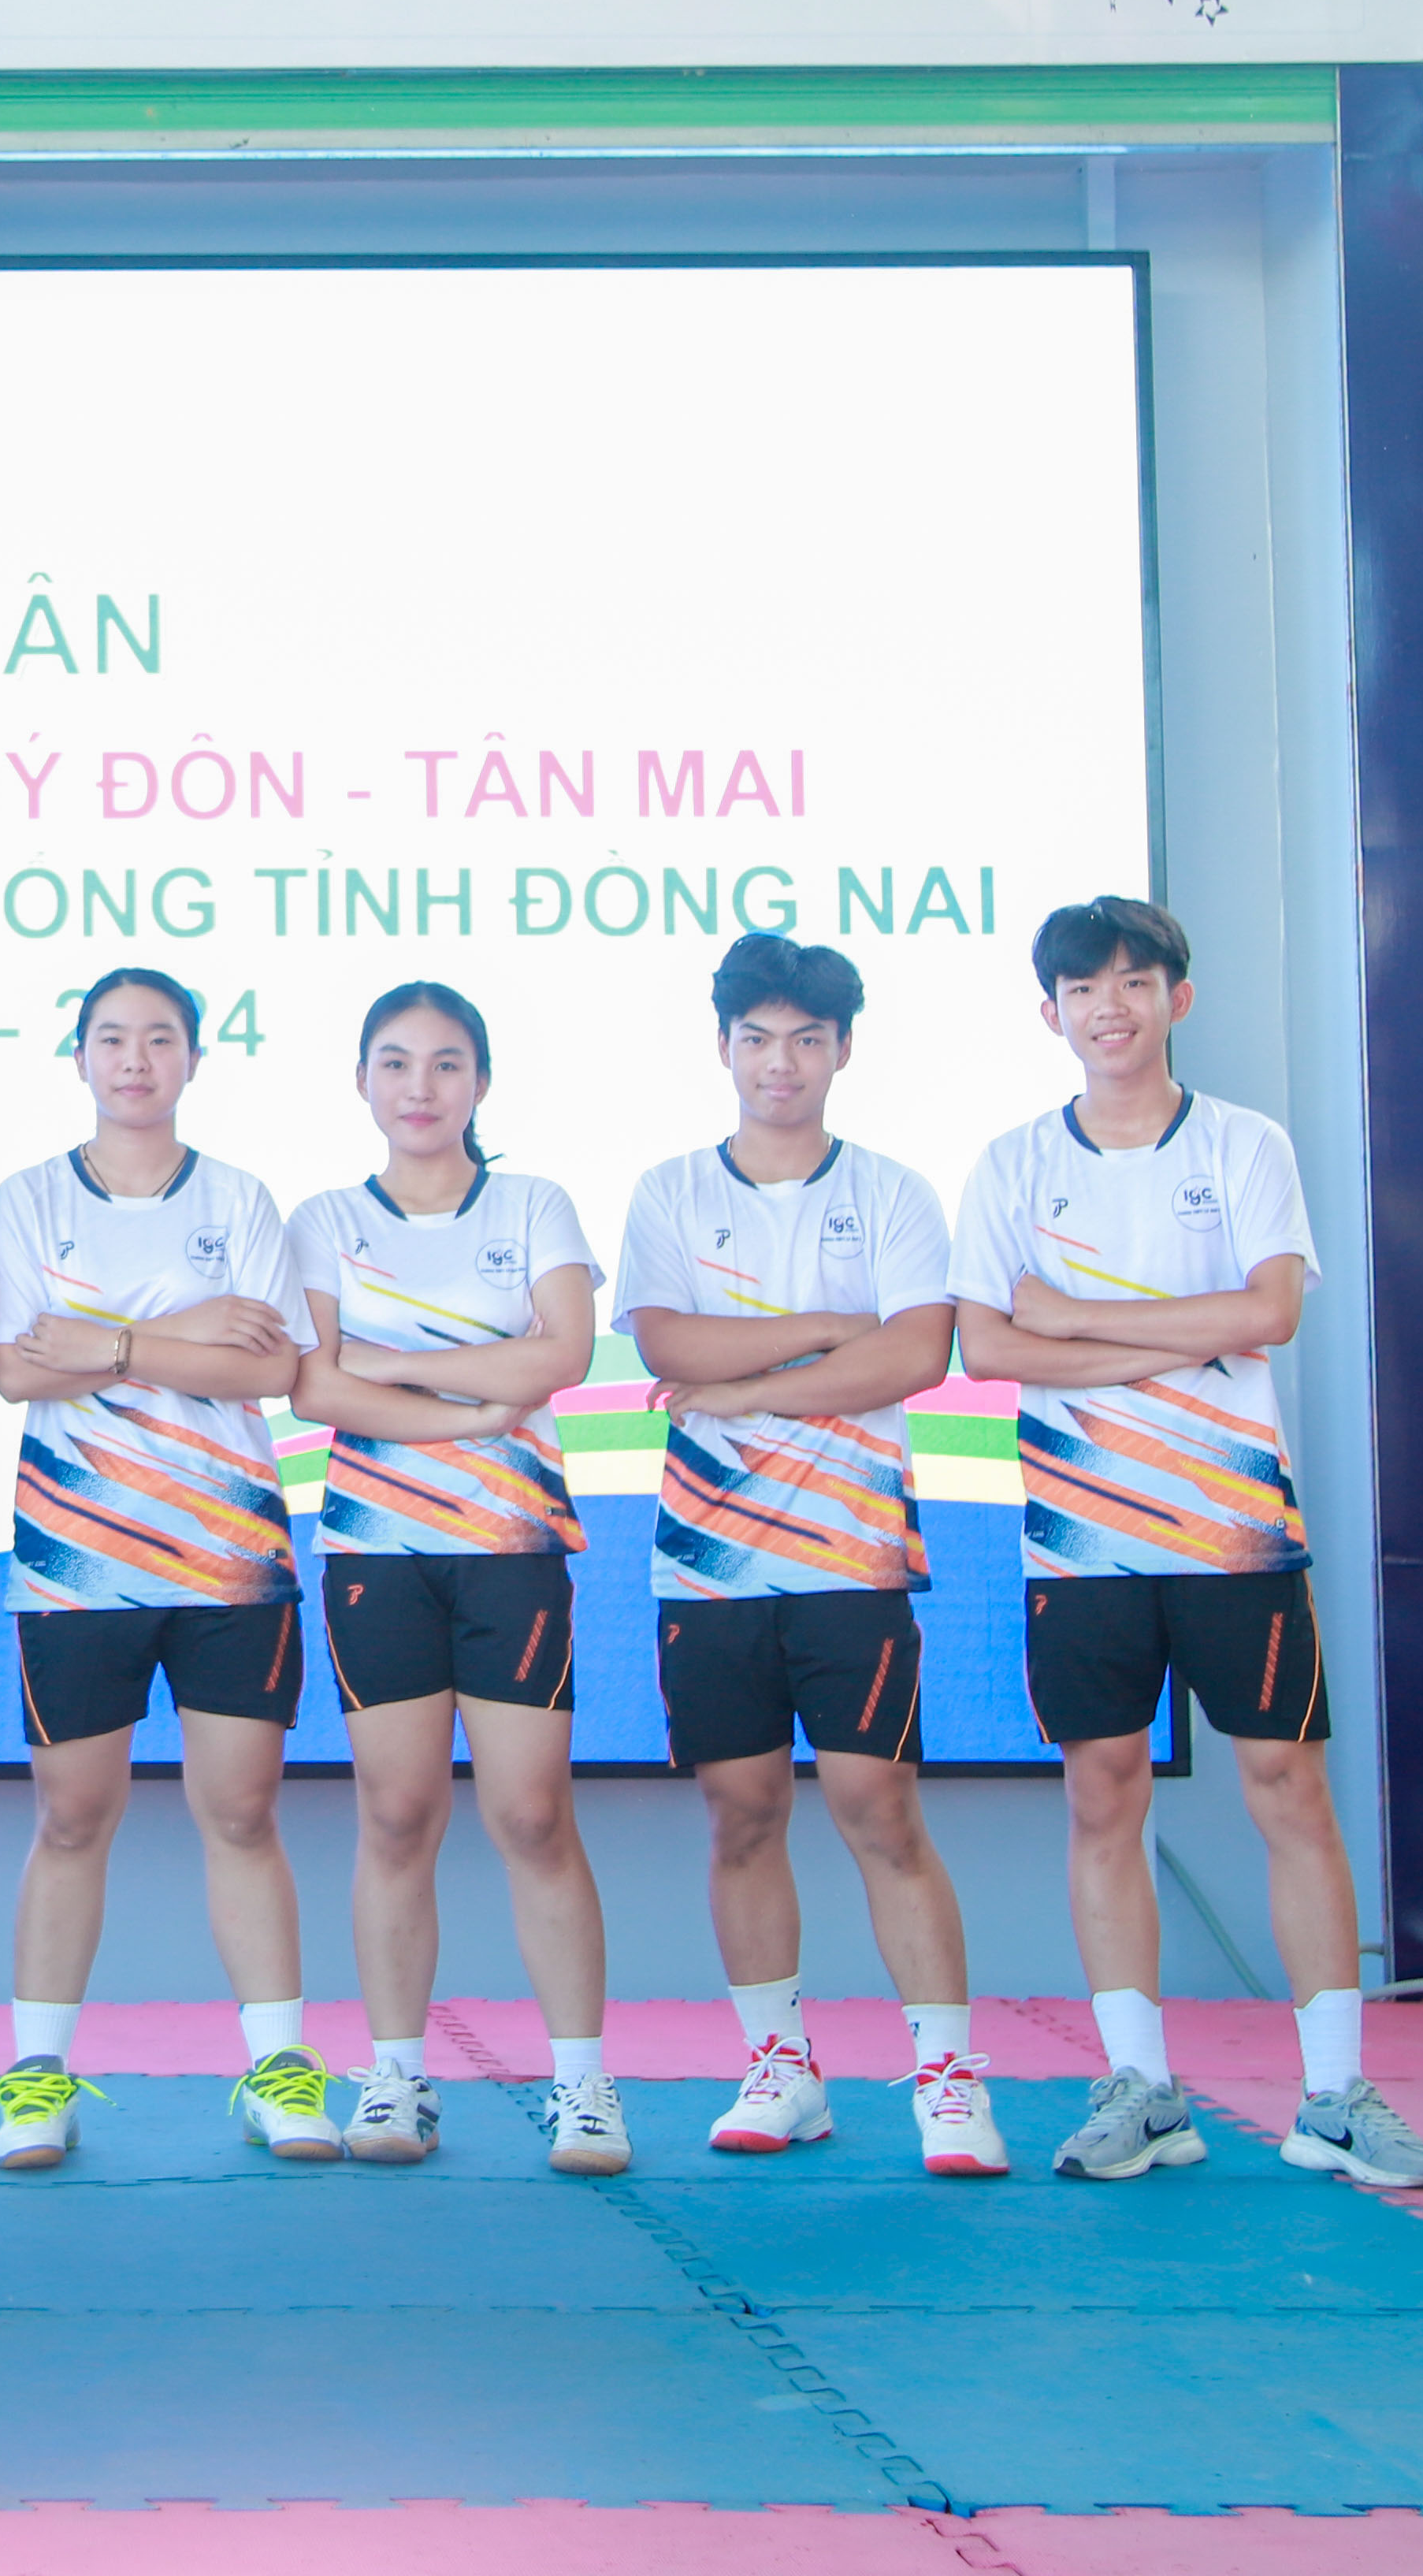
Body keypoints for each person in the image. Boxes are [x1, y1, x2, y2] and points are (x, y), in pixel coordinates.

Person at [949, 894, 1423, 2191]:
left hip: (1235, 1530)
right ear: (1051, 1013)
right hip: (1080, 1541)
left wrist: (1074, 1320)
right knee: (1102, 1794)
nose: (1108, 1007)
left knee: (1289, 1789)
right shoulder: (1013, 1163)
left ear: (1178, 996)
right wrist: (1180, 1327)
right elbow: (990, 1344)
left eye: (1133, 981)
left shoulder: (1242, 1144)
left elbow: (1268, 1313)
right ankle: (1141, 2087)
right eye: (1082, 988)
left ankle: (1335, 2095)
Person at [615, 931, 1001, 2177]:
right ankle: (781, 2068)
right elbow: (667, 1345)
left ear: (841, 1052)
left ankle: (948, 2080)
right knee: (741, 1814)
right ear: (724, 1048)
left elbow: (915, 1355)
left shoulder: (891, 1192)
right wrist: (832, 1330)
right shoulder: (672, 1192)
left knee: (880, 1809)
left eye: (806, 1040)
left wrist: (749, 1387)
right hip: (710, 1565)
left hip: (853, 1558)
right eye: (758, 1039)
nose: (780, 1063)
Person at [0, 967, 329, 2169]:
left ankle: (281, 2071)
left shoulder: (240, 1198)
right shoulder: (29, 1200)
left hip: (230, 1559)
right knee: (73, 1816)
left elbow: (270, 1369)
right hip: (76, 1562)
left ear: (193, 1058)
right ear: (79, 1056)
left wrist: (112, 1342)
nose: (136, 1060)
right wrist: (189, 1334)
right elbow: (19, 1369)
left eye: (160, 1039)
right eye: (114, 1039)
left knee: (242, 1812)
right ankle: (37, 2079)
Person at [287, 981, 626, 2176]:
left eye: (444, 1064)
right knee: (396, 1815)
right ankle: (395, 2077)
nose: (420, 1087)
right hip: (376, 1556)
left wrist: (388, 1366)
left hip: (512, 1550)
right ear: (362, 1081)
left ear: (480, 1082)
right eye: (395, 1063)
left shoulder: (534, 1205)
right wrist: (475, 1404)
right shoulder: (326, 1218)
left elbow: (563, 1353)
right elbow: (315, 1386)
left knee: (532, 1814)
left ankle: (583, 2086)